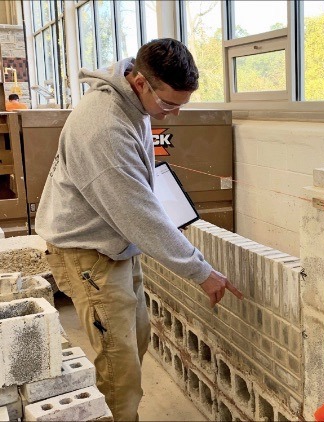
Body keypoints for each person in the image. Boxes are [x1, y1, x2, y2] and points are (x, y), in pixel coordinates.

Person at [36, 38, 243, 421]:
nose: (173, 115)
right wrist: (200, 270)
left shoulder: (135, 102)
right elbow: (138, 215)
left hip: (113, 241)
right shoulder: (104, 128)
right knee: (121, 366)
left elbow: (137, 194)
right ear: (141, 82)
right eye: (168, 104)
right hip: (86, 251)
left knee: (138, 335)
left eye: (181, 105)